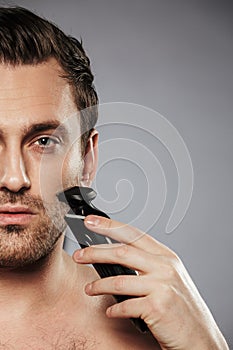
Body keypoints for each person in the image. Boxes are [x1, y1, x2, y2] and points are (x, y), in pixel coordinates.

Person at [0, 6, 228, 350]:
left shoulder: (153, 327)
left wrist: (205, 345)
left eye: (44, 142)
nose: (14, 178)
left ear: (87, 159)